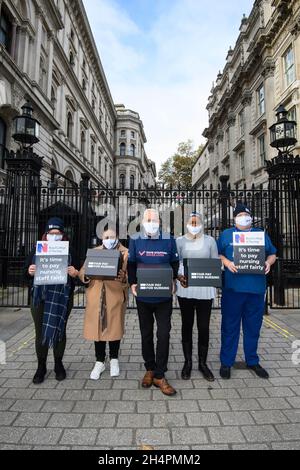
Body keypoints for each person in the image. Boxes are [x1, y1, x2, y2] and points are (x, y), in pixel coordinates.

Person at [217, 203, 277, 380]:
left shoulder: (260, 234)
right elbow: (218, 253)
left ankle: (252, 360)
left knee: (253, 327)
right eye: (240, 214)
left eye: (246, 214)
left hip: (256, 289)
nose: (244, 217)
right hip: (233, 289)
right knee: (230, 326)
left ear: (251, 217)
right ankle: (226, 362)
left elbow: (272, 253)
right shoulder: (226, 234)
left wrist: (268, 262)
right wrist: (227, 263)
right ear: (234, 218)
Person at [128, 208, 179, 396]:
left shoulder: (168, 239)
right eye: (148, 219)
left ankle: (160, 374)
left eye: (154, 219)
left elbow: (174, 262)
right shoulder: (135, 239)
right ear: (142, 221)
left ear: (160, 221)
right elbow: (131, 263)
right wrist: (132, 283)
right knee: (146, 333)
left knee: (164, 334)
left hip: (163, 296)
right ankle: (149, 368)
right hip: (143, 295)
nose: (151, 222)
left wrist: (173, 281)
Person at [25, 217, 79, 384]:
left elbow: (80, 275)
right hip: (40, 298)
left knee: (60, 330)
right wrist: (30, 271)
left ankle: (58, 364)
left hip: (62, 298)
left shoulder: (71, 251)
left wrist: (74, 273)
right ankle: (41, 366)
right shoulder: (36, 250)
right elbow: (25, 274)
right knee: (40, 332)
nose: (54, 236)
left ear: (63, 235)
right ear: (46, 234)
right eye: (51, 233)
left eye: (58, 233)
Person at [79, 229, 128, 379]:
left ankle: (114, 359)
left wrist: (124, 278)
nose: (109, 239)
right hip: (97, 294)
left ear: (117, 238)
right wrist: (86, 275)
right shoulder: (95, 252)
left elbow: (131, 277)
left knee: (114, 327)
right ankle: (99, 361)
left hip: (115, 294)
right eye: (106, 237)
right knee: (97, 328)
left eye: (112, 237)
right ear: (102, 238)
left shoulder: (125, 253)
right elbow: (82, 272)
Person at [176, 212, 218, 381]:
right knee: (186, 325)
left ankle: (202, 363)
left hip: (205, 290)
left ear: (202, 224)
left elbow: (215, 262)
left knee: (203, 326)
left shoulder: (210, 241)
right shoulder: (179, 241)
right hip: (186, 289)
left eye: (197, 222)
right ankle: (188, 363)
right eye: (191, 222)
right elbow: (176, 262)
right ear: (186, 223)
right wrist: (180, 275)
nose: (194, 225)